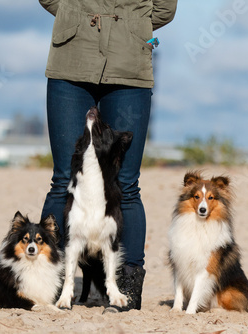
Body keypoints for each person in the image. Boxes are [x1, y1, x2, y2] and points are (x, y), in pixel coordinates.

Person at [39, 0, 177, 311]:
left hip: (130, 63)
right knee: (63, 179)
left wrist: (132, 24)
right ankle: (49, 277)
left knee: (126, 183)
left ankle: (126, 285)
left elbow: (165, 8)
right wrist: (73, 15)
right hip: (70, 60)